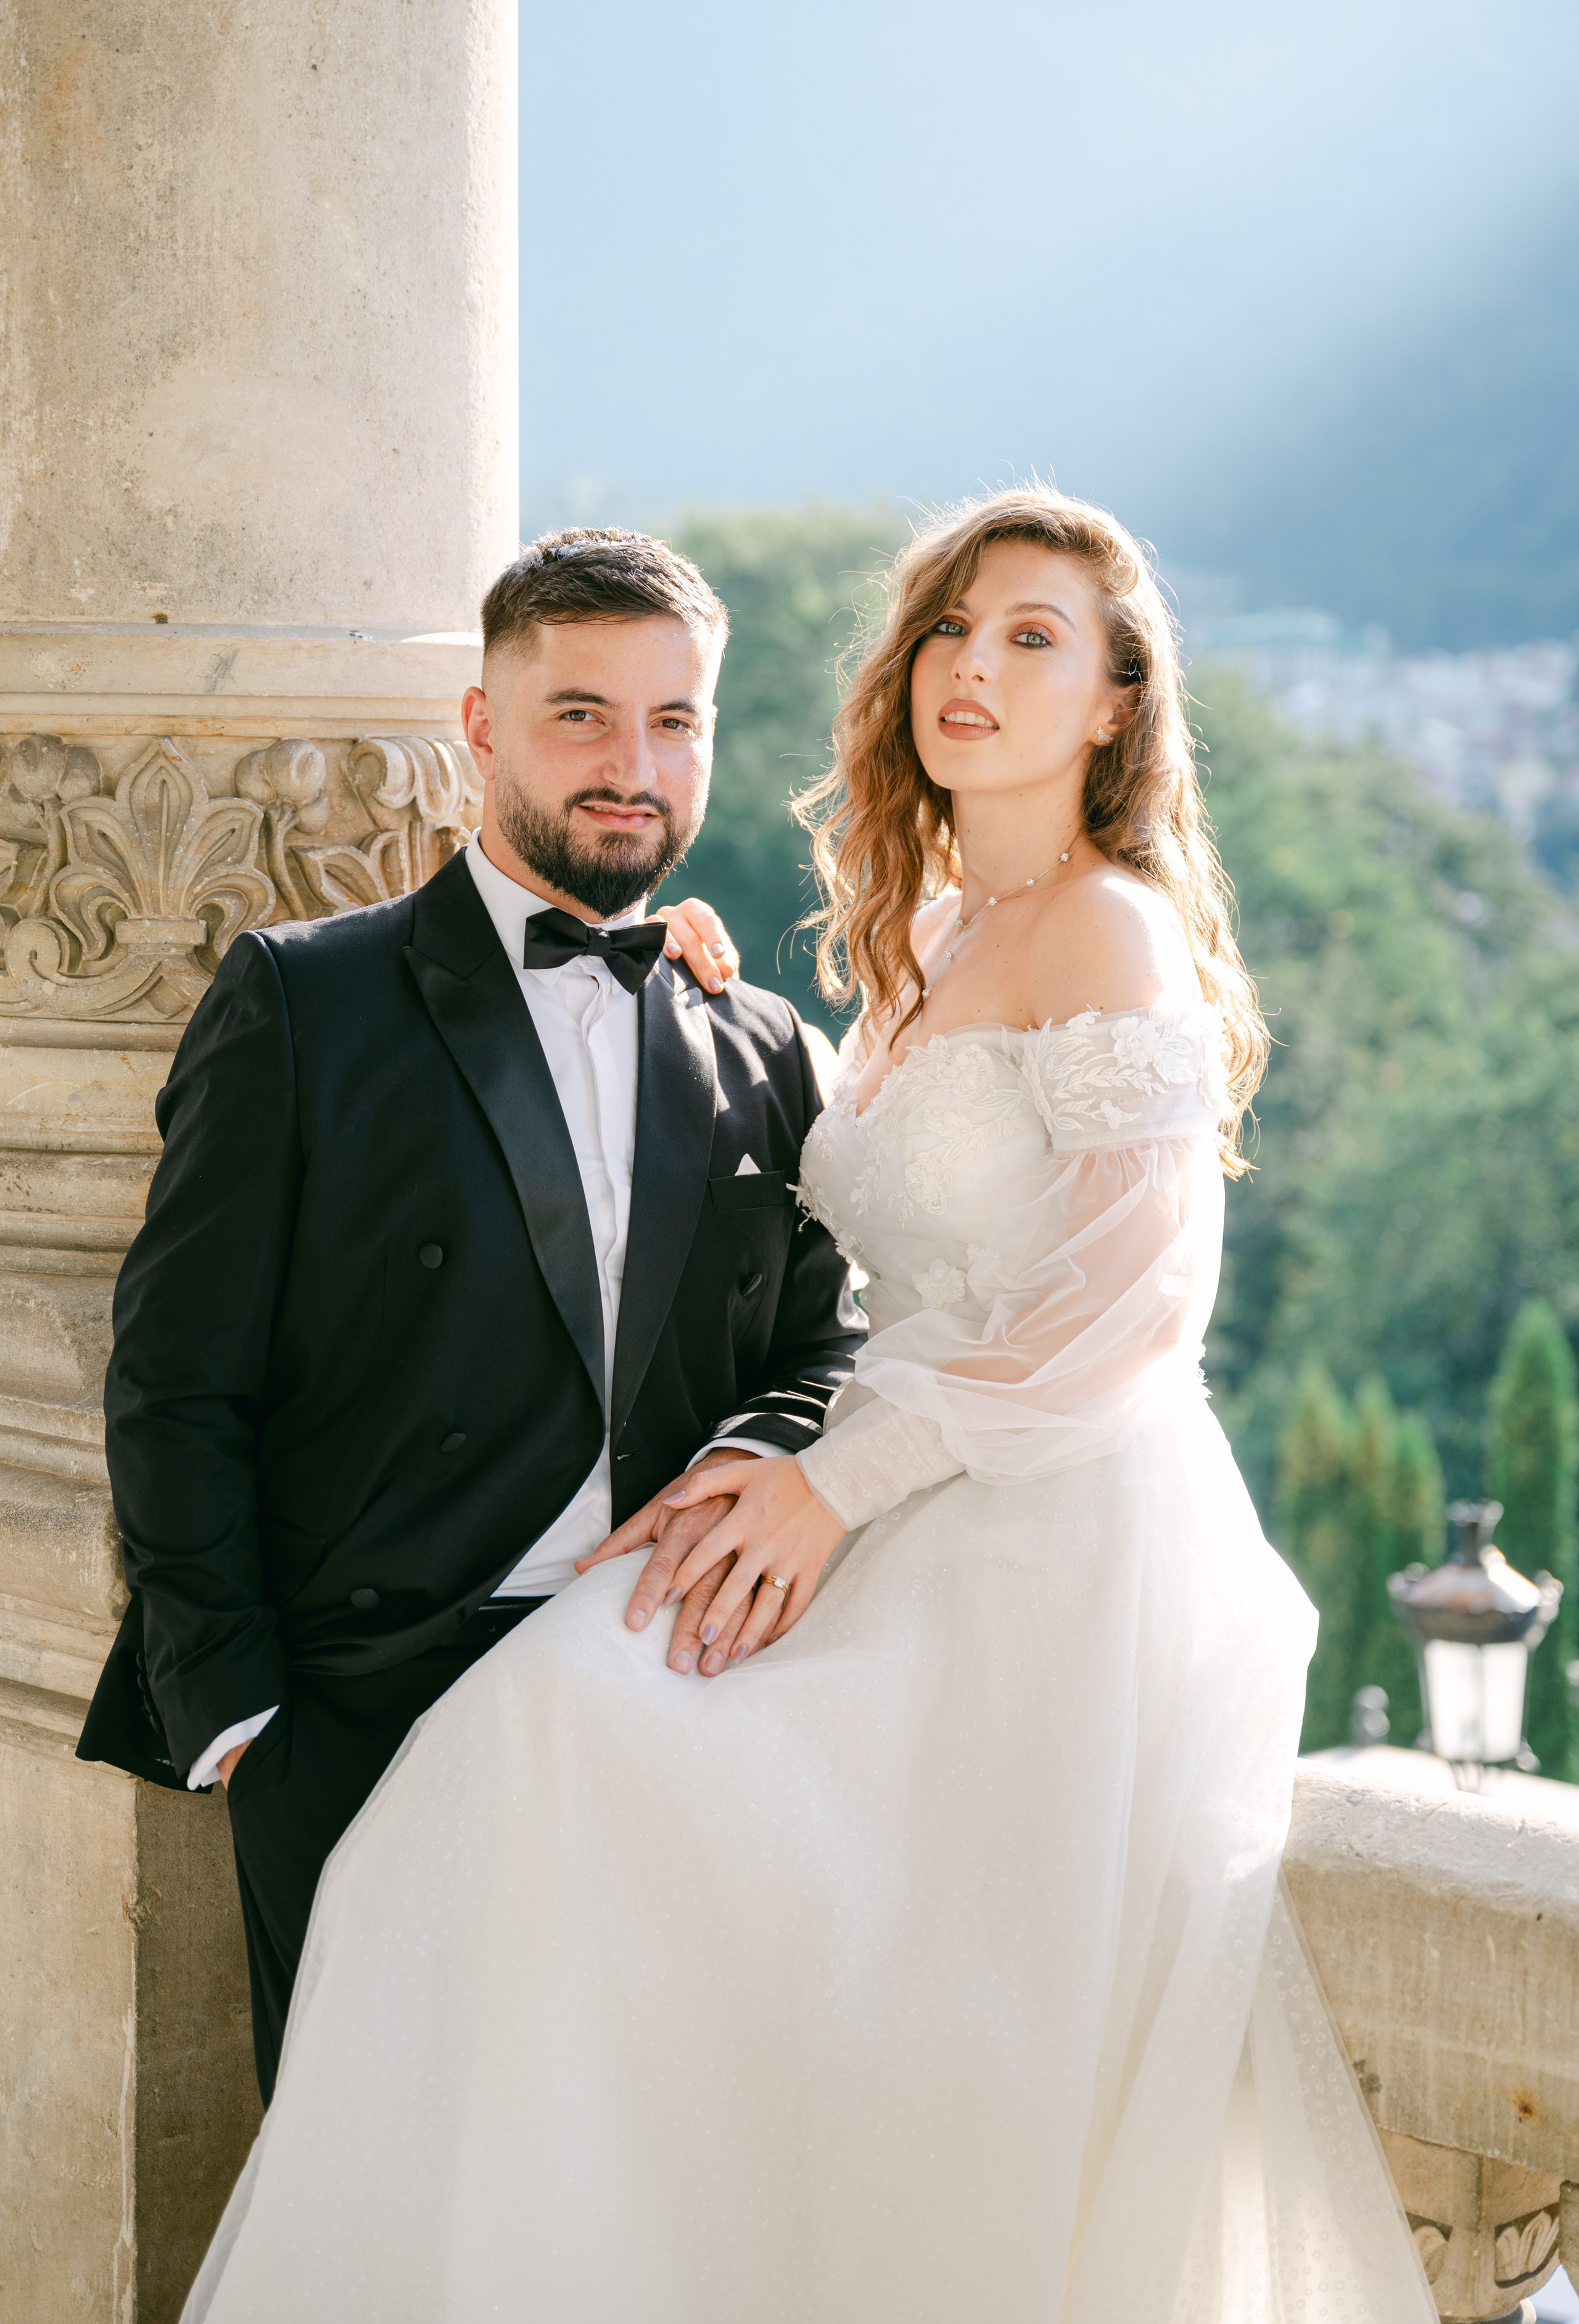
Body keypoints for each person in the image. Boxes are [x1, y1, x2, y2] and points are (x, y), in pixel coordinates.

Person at [181, 486, 1437, 2323]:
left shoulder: (1109, 927)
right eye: (953, 628)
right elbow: (877, 1220)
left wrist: (841, 1484)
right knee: (584, 1839)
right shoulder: (922, 934)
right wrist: (728, 1011)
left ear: (1115, 705)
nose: (975, 669)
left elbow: (1139, 1304)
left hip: (1038, 1538)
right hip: (873, 1495)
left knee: (622, 1806)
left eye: (1036, 640)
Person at [78, 527, 864, 2108]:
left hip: (664, 1697)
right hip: (364, 1720)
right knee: (382, 2209)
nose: (631, 764)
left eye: (674, 720)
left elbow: (829, 1338)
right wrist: (243, 1718)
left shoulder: (760, 1041)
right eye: (580, 713)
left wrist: (767, 1461)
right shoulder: (304, 1000)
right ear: (482, 724)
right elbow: (175, 1379)